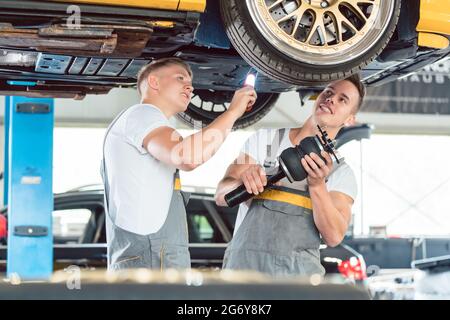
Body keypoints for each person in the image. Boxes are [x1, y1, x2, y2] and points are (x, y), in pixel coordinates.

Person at [101, 57, 256, 271]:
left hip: (152, 257)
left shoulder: (147, 122)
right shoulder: (143, 114)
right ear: (154, 82)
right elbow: (187, 156)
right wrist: (232, 113)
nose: (190, 87)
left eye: (190, 81)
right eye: (180, 77)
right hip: (150, 262)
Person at [215, 74, 365, 277]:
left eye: (342, 99)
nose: (331, 99)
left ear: (350, 119)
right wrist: (242, 182)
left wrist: (317, 185)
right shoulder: (265, 140)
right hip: (243, 274)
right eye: (328, 92)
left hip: (297, 282)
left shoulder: (341, 173)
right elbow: (221, 195)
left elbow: (334, 236)